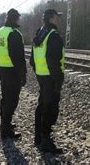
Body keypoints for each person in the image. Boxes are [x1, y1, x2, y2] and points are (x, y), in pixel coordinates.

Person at [30, 9, 65, 154]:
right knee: (50, 108)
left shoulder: (40, 33)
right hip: (51, 78)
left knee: (42, 105)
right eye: (57, 17)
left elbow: (32, 59)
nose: (59, 19)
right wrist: (58, 80)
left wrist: (39, 72)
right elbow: (53, 61)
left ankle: (38, 137)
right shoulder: (54, 36)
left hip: (41, 75)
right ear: (51, 18)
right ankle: (46, 141)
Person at [0, 8, 26, 139]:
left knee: (5, 98)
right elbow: (17, 57)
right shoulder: (14, 34)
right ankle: (6, 130)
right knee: (12, 100)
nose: (19, 20)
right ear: (15, 18)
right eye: (18, 18)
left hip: (3, 68)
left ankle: (4, 124)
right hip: (12, 71)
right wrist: (22, 75)